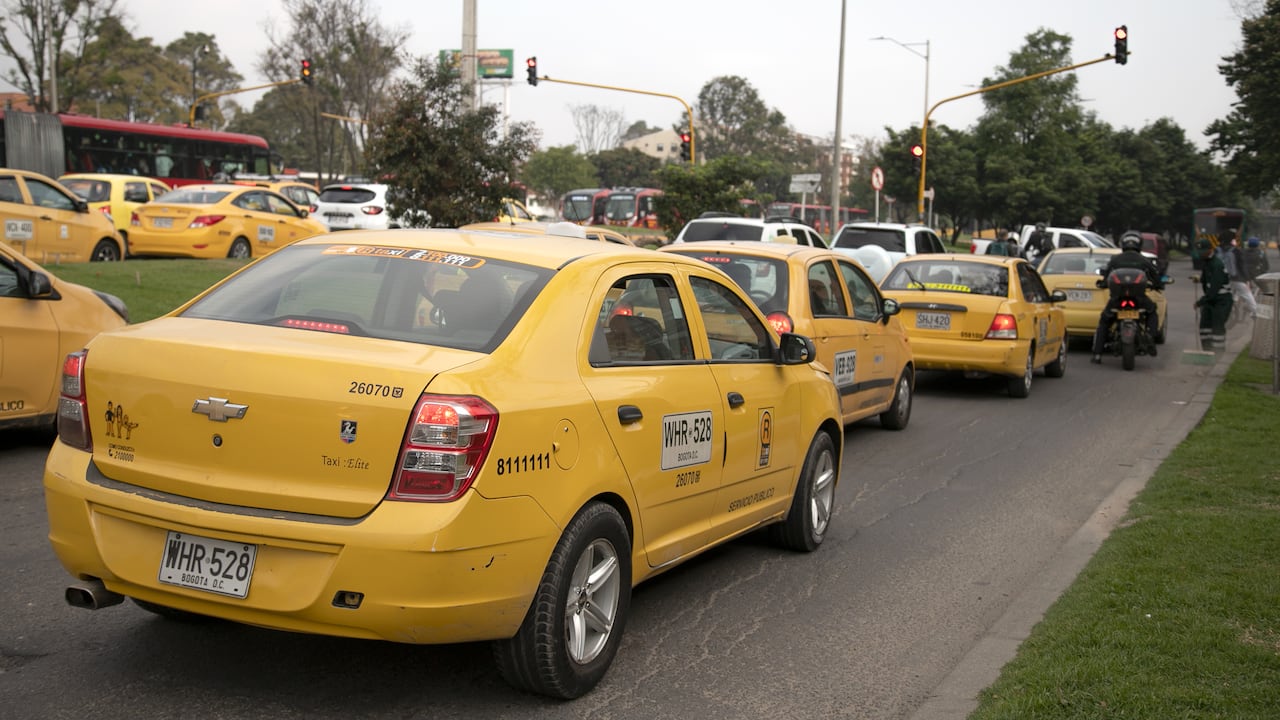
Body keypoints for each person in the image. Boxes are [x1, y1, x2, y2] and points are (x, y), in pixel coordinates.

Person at [1091, 234, 1163, 363]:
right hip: (1139, 298)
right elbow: (1155, 277)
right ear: (1139, 245)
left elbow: (1105, 277)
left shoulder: (1115, 260)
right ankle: (1150, 338)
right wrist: (1158, 285)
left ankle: (1097, 354)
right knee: (1152, 311)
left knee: (1105, 321)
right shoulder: (1144, 260)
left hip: (1117, 299)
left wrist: (1102, 284)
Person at [1196, 238, 1233, 351]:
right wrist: (1198, 279)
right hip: (1211, 300)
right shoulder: (1207, 262)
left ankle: (1218, 352)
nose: (1201, 254)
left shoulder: (1217, 264)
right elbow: (1205, 280)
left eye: (1203, 251)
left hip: (1221, 301)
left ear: (1210, 250)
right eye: (1199, 251)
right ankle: (1206, 350)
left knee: (1217, 327)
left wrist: (1200, 302)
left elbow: (1214, 288)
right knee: (1204, 327)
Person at [1222, 230, 1258, 319]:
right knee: (1247, 294)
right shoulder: (1236, 251)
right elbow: (1242, 266)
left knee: (1232, 292)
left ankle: (1233, 304)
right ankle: (1255, 313)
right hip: (1237, 277)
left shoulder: (1220, 249)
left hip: (1225, 277)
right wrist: (1246, 279)